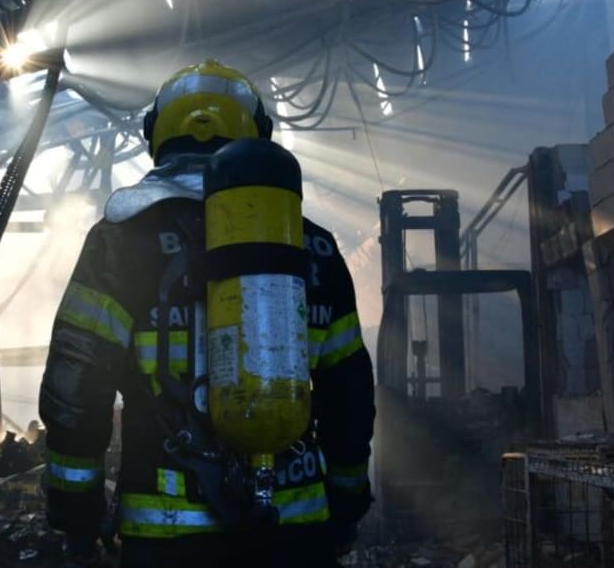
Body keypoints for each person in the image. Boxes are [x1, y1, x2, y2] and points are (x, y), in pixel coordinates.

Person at [39, 60, 375, 568]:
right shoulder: (314, 248)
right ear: (256, 134)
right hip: (294, 530)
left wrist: (77, 512)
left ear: (160, 135)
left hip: (168, 537)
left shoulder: (120, 242)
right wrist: (345, 506)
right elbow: (349, 395)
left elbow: (76, 386)